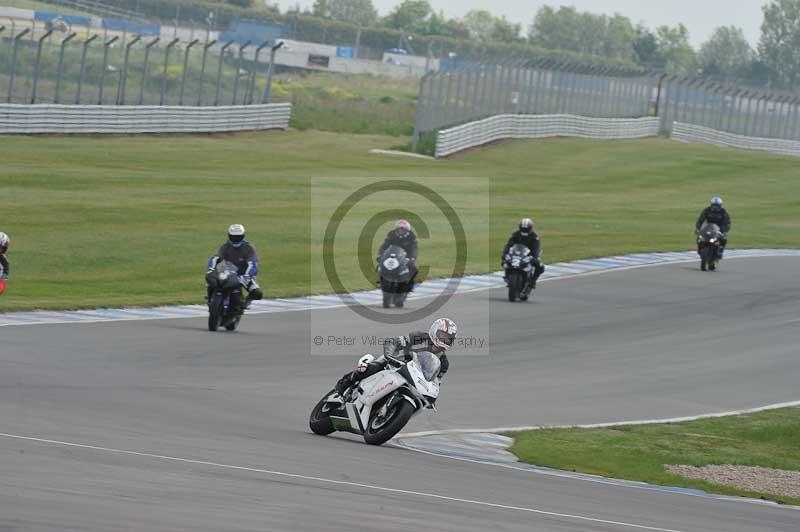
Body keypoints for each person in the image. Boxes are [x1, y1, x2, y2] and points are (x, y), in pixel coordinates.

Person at [334, 317, 458, 398]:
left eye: (448, 339)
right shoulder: (419, 337)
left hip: (412, 381)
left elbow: (435, 383)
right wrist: (389, 355)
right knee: (370, 368)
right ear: (434, 331)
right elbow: (394, 341)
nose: (444, 341)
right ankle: (343, 384)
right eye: (442, 336)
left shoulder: (444, 364)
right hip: (393, 364)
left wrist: (431, 398)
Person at [206, 224, 263, 309]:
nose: (235, 240)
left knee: (257, 292)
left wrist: (247, 275)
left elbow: (253, 265)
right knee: (212, 280)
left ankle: (246, 302)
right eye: (233, 237)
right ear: (229, 236)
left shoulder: (249, 248)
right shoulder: (226, 246)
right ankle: (210, 299)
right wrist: (211, 269)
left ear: (243, 236)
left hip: (244, 273)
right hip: (227, 270)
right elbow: (215, 258)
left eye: (238, 237)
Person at [502, 218, 545, 288]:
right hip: (517, 254)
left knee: (540, 266)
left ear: (530, 228)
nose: (524, 231)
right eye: (523, 229)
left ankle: (533, 280)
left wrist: (535, 257)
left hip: (529, 255)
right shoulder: (515, 234)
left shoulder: (535, 237)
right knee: (505, 261)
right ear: (520, 227)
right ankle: (507, 276)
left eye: (526, 229)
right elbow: (509, 245)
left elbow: (536, 248)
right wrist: (505, 253)